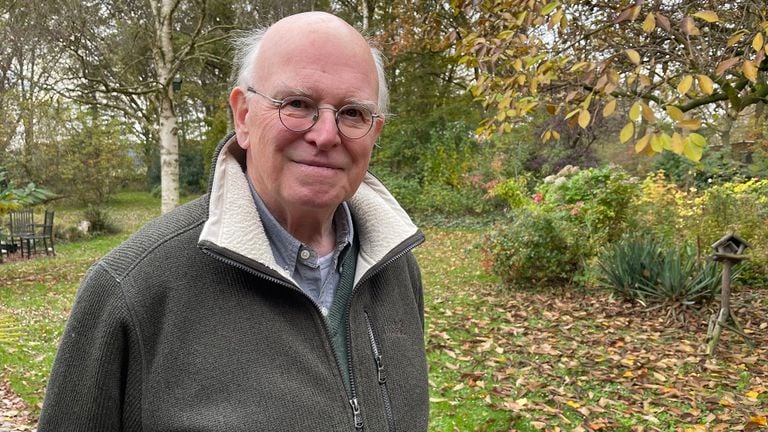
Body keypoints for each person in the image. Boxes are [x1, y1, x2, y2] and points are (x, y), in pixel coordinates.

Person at [37, 11, 429, 432]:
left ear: (375, 132)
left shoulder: (393, 267)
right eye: (298, 104)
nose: (326, 135)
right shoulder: (131, 288)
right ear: (243, 116)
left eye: (352, 113)